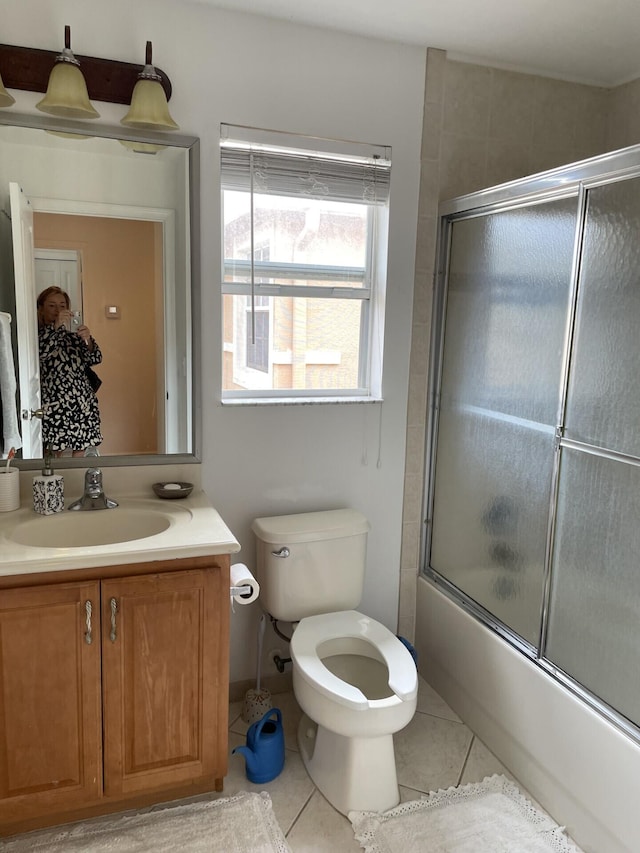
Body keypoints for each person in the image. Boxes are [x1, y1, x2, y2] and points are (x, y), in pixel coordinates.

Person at [37, 286, 103, 457]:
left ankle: (77, 481)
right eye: (52, 305)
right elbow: (42, 352)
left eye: (62, 305)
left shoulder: (72, 337)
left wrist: (87, 339)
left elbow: (95, 358)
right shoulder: (37, 335)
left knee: (81, 446)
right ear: (41, 308)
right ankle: (55, 482)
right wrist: (56, 326)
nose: (58, 310)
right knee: (53, 450)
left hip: (82, 401)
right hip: (55, 403)